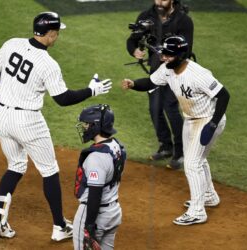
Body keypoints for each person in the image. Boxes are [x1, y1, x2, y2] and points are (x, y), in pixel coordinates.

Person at [0, 11, 113, 240]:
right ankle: (60, 227)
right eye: (57, 32)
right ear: (50, 34)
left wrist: (3, 97)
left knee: (16, 165)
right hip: (28, 122)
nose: (58, 36)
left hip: (1, 115)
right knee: (49, 170)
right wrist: (92, 90)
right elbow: (62, 98)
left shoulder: (12, 43)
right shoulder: (48, 64)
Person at [122, 35, 230, 225]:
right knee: (198, 159)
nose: (164, 58)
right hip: (191, 119)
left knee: (192, 163)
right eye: (164, 54)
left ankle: (197, 211)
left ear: (181, 55)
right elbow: (151, 82)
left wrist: (212, 124)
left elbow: (223, 95)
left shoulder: (198, 74)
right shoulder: (167, 69)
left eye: (169, 55)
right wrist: (133, 84)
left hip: (208, 119)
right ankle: (209, 196)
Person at [126, 0, 194, 169]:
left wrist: (165, 53)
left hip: (175, 71)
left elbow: (186, 49)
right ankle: (166, 146)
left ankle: (181, 152)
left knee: (170, 108)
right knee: (155, 109)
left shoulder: (183, 21)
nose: (159, 2)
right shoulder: (146, 16)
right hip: (156, 72)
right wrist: (134, 50)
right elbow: (132, 39)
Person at [73, 104, 126, 249]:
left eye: (86, 124)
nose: (84, 128)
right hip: (113, 212)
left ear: (96, 126)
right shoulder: (116, 146)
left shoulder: (96, 157)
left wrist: (89, 226)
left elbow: (95, 194)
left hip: (96, 216)